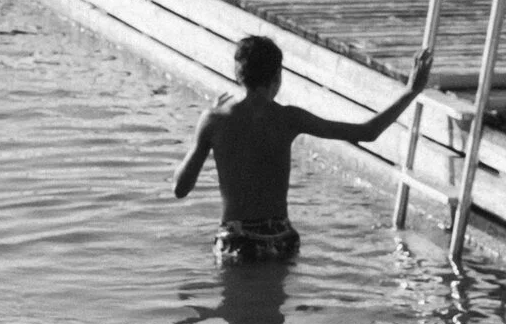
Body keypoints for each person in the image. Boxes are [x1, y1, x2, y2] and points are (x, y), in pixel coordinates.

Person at [173, 31, 432, 261]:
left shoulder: (215, 120)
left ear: (238, 75)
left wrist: (204, 133)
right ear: (277, 76)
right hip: (280, 237)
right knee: (275, 314)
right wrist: (411, 91)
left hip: (237, 240)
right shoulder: (289, 119)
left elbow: (180, 188)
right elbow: (368, 132)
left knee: (237, 310)